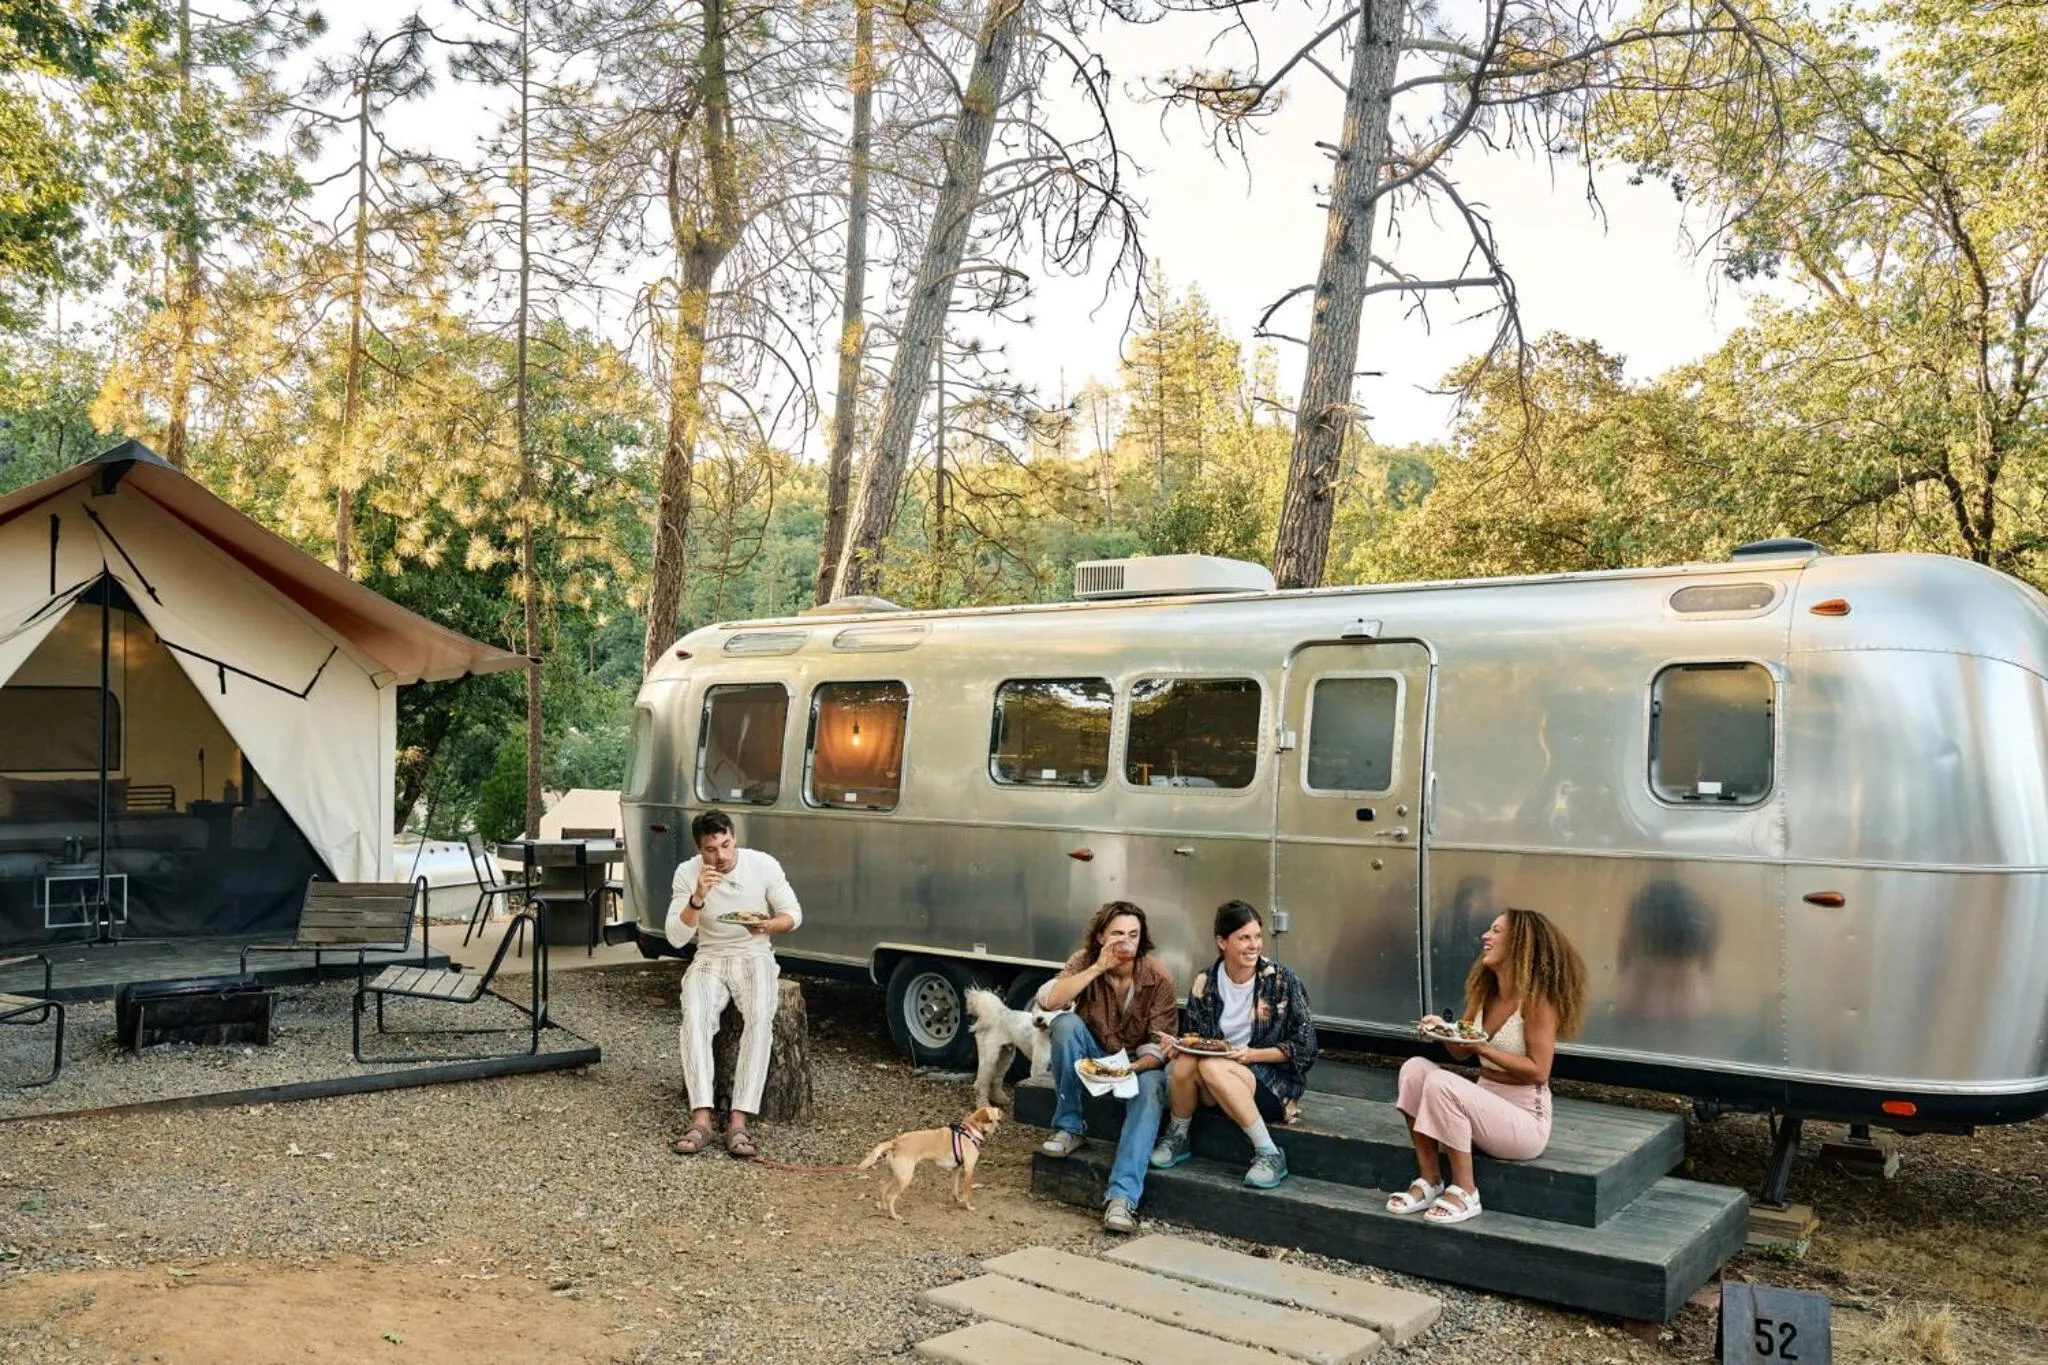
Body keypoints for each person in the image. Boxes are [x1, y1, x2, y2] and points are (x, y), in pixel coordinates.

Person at [1387, 907, 1587, 1225]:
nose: (1485, 936)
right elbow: (1461, 1053)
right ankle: (1431, 1180)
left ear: (1520, 943)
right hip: (1483, 1109)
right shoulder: (1485, 992)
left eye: (1496, 931)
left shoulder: (1537, 1001)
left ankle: (1466, 1191)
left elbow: (1539, 1071)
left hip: (1524, 1122)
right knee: (1414, 1069)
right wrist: (1442, 1030)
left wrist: (1482, 1047)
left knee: (1442, 1084)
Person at [1034, 900, 1179, 1233]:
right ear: (1101, 936)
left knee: (1153, 1086)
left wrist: (1131, 1070)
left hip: (1138, 1063)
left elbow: (1161, 1045)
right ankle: (1071, 1127)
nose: (1126, 943)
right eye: (1117, 934)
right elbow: (1050, 1001)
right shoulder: (1084, 961)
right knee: (1065, 1025)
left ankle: (1121, 1198)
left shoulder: (1158, 976)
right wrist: (1098, 967)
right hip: (1095, 1053)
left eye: (1133, 935)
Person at [1150, 900, 1317, 1190]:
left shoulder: (1282, 981)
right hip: (1216, 1081)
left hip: (1271, 1082)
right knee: (1188, 1061)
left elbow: (1306, 1048)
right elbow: (1195, 1038)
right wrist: (1178, 1046)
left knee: (1212, 1066)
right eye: (1244, 938)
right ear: (1222, 942)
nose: (1254, 945)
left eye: (1257, 937)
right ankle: (1178, 1136)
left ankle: (1269, 1152)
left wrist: (1251, 1054)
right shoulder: (1206, 981)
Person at [664, 810, 802, 1158]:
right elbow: (677, 938)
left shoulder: (762, 865)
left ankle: (739, 1120)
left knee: (760, 1018)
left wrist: (768, 925)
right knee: (694, 1017)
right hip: (710, 956)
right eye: (711, 849)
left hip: (754, 954)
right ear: (700, 849)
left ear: (734, 837)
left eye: (726, 845)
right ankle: (702, 1118)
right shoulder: (687, 873)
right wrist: (697, 898)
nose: (721, 856)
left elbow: (793, 914)